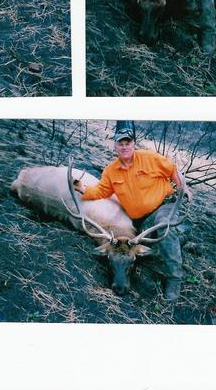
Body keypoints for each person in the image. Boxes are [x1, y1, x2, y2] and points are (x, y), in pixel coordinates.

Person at [73, 123, 192, 302]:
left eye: (127, 143)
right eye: (120, 143)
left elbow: (172, 169)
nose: (124, 147)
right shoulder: (111, 171)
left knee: (164, 227)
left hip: (163, 207)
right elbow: (101, 191)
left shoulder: (150, 158)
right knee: (144, 249)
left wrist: (183, 187)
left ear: (133, 144)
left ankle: (174, 280)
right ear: (115, 146)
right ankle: (178, 238)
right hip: (140, 221)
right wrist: (82, 189)